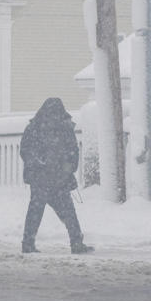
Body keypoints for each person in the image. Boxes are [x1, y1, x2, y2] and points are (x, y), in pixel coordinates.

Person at [20, 97, 93, 254]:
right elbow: (73, 152)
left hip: (42, 180)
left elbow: (25, 151)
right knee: (68, 212)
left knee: (35, 211)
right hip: (58, 180)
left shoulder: (35, 127)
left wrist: (38, 163)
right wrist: (67, 168)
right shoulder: (64, 127)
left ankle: (28, 242)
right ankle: (76, 242)